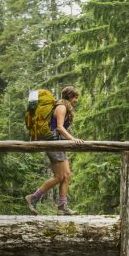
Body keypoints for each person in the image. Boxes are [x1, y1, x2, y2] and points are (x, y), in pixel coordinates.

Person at [25, 85, 84, 215]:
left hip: (58, 143)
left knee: (67, 175)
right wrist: (73, 139)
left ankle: (62, 206)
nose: (76, 100)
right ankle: (33, 197)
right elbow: (59, 127)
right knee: (59, 177)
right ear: (69, 97)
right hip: (53, 143)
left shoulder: (64, 107)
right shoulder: (61, 107)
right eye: (75, 97)